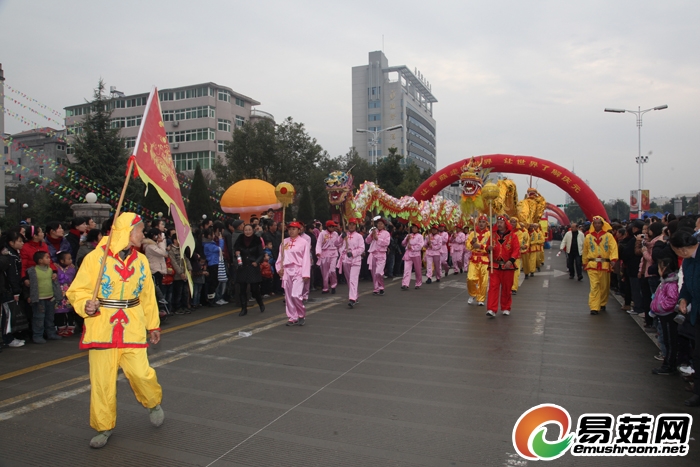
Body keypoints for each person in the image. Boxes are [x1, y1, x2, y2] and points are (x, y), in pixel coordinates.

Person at [66, 213, 164, 448]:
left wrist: (153, 325)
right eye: (140, 230)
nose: (143, 234)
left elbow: (147, 295)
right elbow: (77, 291)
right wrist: (86, 305)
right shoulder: (95, 258)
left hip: (132, 325)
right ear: (127, 232)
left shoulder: (141, 261)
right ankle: (103, 426)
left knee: (141, 373)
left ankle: (153, 402)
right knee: (102, 381)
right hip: (101, 326)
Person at [671, 229, 700, 406]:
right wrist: (683, 299)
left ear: (681, 249)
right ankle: (698, 392)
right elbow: (688, 285)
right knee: (697, 354)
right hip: (697, 312)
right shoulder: (688, 261)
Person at [649, 256, 680, 376]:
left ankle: (669, 364)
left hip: (667, 314)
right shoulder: (665, 282)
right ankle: (668, 363)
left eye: (659, 268)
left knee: (670, 341)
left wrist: (660, 307)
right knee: (667, 339)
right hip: (663, 314)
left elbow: (672, 300)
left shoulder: (670, 283)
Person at [582, 216, 618, 315]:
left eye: (599, 223)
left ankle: (602, 303)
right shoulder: (588, 237)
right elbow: (585, 250)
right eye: (595, 223)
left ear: (602, 224)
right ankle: (594, 307)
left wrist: (613, 259)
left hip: (604, 264)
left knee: (604, 286)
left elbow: (613, 247)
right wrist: (584, 262)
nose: (597, 225)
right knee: (594, 286)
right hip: (592, 264)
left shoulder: (608, 236)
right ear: (593, 224)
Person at [276, 221, 310, 325]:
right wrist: (279, 269)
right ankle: (292, 317)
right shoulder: (284, 242)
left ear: (299, 230)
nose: (291, 231)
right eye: (289, 229)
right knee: (288, 296)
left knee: (295, 295)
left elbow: (306, 258)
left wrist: (305, 273)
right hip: (287, 271)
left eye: (294, 229)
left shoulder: (304, 242)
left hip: (298, 270)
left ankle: (301, 314)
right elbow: (280, 257)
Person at [486, 216, 520, 317]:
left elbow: (516, 249)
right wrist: (488, 248)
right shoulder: (492, 235)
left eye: (501, 222)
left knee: (507, 288)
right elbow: (487, 247)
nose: (499, 224)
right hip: (495, 265)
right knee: (493, 287)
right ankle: (491, 309)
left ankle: (506, 307)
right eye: (498, 222)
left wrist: (511, 260)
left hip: (507, 266)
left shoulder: (513, 236)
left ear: (506, 224)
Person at [26, 251, 62, 343]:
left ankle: (51, 333)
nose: (49, 259)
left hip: (50, 298)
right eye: (47, 257)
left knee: (50, 317)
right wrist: (29, 296)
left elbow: (54, 283)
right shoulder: (33, 271)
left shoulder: (50, 270)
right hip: (39, 299)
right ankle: (37, 335)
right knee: (39, 318)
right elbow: (29, 286)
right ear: (40, 260)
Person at [0, 230, 26, 348]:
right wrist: (15, 291)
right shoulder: (8, 256)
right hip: (7, 289)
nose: (22, 243)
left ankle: (10, 337)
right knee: (7, 315)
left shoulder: (12, 254)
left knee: (8, 315)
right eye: (19, 241)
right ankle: (7, 338)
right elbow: (12, 275)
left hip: (8, 288)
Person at [233, 224, 265, 316]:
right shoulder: (239, 239)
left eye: (249, 230)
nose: (248, 232)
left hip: (252, 265)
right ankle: (244, 308)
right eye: (246, 230)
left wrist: (257, 262)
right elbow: (235, 250)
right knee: (242, 289)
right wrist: (236, 253)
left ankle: (260, 303)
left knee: (255, 288)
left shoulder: (256, 239)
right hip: (243, 266)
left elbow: (261, 254)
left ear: (253, 230)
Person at [335, 218, 365, 308]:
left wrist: (352, 253)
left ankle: (352, 299)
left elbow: (362, 248)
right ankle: (355, 295)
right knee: (349, 279)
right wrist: (341, 237)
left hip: (355, 260)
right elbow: (336, 244)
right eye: (350, 224)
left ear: (356, 226)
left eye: (353, 224)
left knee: (353, 279)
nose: (351, 226)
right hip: (345, 260)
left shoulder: (359, 236)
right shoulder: (344, 235)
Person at [466, 215, 491, 306]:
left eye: (483, 222)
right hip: (474, 259)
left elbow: (491, 247)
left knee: (484, 281)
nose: (481, 224)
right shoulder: (472, 233)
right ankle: (473, 294)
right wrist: (472, 242)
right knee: (470, 278)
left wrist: (481, 246)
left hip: (485, 259)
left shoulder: (489, 234)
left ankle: (481, 298)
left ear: (486, 223)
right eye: (480, 222)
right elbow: (468, 246)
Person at [168, 234, 193, 315]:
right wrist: (180, 272)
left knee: (185, 292)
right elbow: (174, 262)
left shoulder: (181, 249)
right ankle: (177, 308)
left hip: (185, 273)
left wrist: (189, 269)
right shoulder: (171, 250)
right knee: (178, 292)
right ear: (174, 240)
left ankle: (185, 306)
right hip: (177, 275)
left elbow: (186, 259)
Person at [366, 218, 391, 295]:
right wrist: (371, 235)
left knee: (378, 272)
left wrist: (378, 239)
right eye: (378, 223)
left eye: (381, 224)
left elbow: (387, 243)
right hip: (373, 254)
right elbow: (367, 241)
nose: (380, 225)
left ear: (384, 225)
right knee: (373, 272)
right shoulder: (373, 231)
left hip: (381, 254)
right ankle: (376, 288)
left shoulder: (386, 233)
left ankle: (381, 287)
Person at [54, 251, 77, 336]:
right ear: (62, 261)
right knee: (59, 311)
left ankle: (71, 327)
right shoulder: (55, 268)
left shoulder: (72, 268)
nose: (71, 260)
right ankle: (61, 327)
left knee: (70, 311)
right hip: (59, 292)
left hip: (69, 292)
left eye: (71, 259)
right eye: (69, 259)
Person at [316, 221, 339, 294]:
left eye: (333, 226)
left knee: (332, 270)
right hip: (324, 254)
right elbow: (318, 243)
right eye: (330, 226)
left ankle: (333, 285)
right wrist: (318, 252)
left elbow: (338, 243)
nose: (332, 228)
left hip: (334, 253)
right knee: (324, 272)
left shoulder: (336, 234)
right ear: (327, 227)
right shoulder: (322, 233)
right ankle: (325, 288)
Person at [401, 224, 424, 290]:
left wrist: (412, 247)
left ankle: (418, 283)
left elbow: (420, 245)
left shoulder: (420, 236)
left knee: (417, 270)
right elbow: (403, 243)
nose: (414, 229)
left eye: (415, 228)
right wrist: (406, 239)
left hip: (416, 254)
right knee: (406, 269)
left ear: (418, 229)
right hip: (408, 254)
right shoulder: (409, 235)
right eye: (413, 227)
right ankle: (405, 284)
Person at [510, 217, 529, 295]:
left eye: (514, 222)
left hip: (516, 255)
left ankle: (514, 288)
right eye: (511, 222)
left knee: (515, 272)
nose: (512, 223)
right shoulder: (506, 231)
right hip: (506, 254)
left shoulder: (520, 232)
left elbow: (519, 242)